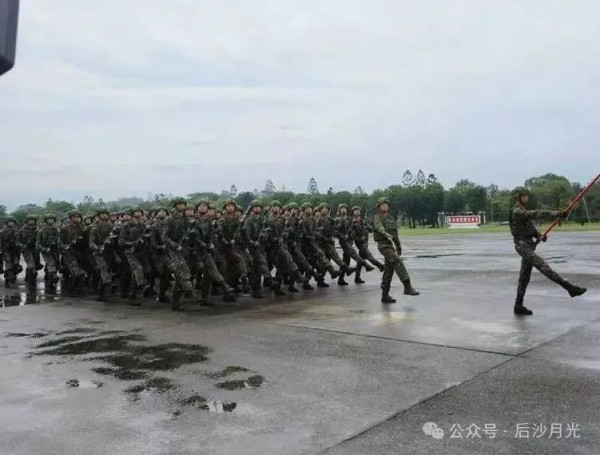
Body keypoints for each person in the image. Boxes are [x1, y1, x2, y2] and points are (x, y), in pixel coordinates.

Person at [509, 187, 587, 315]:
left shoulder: (522, 211)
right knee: (544, 267)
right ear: (518, 197)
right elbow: (536, 214)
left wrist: (539, 235)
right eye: (524, 195)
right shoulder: (517, 212)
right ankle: (569, 288)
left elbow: (530, 228)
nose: (527, 197)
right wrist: (556, 213)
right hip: (522, 246)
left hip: (528, 245)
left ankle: (518, 305)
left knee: (524, 277)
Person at [373, 197, 419, 303]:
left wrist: (398, 247)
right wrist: (386, 235)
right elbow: (380, 228)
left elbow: (395, 235)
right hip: (383, 245)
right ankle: (407, 286)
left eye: (386, 204)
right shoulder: (377, 217)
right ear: (379, 207)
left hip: (391, 246)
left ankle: (385, 295)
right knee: (397, 261)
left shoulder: (391, 218)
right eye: (382, 204)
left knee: (389, 269)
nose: (385, 206)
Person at [37, 214, 60, 293]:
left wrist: (57, 243)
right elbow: (38, 244)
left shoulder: (55, 230)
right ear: (46, 220)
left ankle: (48, 277)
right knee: (51, 263)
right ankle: (50, 283)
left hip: (54, 250)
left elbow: (58, 239)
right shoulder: (41, 231)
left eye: (52, 219)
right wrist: (44, 249)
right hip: (45, 251)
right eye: (49, 219)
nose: (50, 220)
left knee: (55, 263)